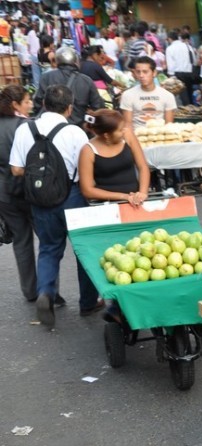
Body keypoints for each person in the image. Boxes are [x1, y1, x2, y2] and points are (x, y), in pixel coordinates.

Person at [9, 85, 102, 327]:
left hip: (40, 199)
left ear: (43, 104)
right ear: (70, 108)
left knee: (49, 248)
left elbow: (17, 169)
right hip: (72, 197)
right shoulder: (74, 132)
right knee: (83, 251)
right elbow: (85, 172)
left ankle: (45, 293)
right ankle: (88, 303)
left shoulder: (24, 129)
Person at [0, 85, 40, 302]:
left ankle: (30, 290)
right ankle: (48, 289)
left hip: (4, 194)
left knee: (21, 241)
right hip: (29, 191)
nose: (30, 104)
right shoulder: (26, 127)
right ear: (15, 104)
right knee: (47, 240)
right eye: (27, 101)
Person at [78, 109, 150, 207]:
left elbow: (143, 166)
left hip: (136, 200)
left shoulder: (128, 135)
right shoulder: (88, 150)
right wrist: (124, 196)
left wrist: (142, 193)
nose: (124, 131)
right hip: (106, 204)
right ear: (106, 135)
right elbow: (87, 190)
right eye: (120, 130)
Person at [34, 47, 105, 126]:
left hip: (51, 127)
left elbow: (38, 102)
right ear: (75, 61)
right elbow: (97, 106)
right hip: (79, 127)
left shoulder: (46, 77)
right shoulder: (86, 80)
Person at [120, 56, 176, 130]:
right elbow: (128, 125)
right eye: (138, 72)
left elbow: (169, 125)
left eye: (145, 72)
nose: (141, 75)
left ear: (154, 73)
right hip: (137, 136)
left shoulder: (167, 96)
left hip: (160, 136)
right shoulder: (128, 95)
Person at [165, 30, 197, 106]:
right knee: (190, 93)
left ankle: (187, 110)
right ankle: (192, 108)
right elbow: (194, 60)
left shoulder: (170, 48)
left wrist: (171, 76)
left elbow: (170, 65)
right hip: (190, 73)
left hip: (178, 74)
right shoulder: (188, 46)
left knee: (182, 96)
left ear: (169, 39)